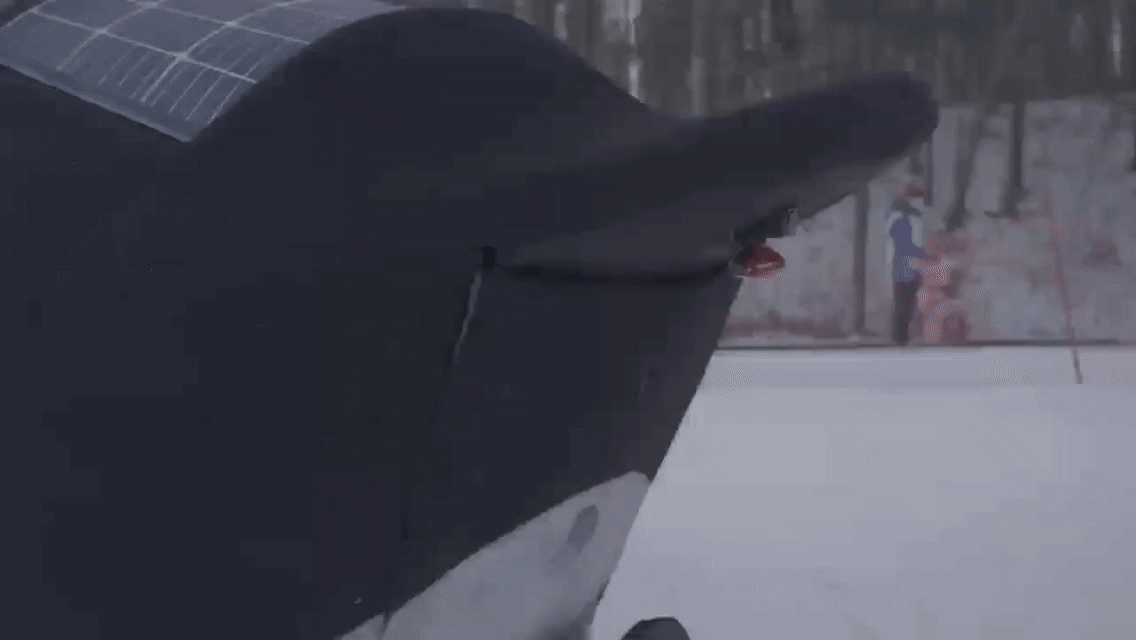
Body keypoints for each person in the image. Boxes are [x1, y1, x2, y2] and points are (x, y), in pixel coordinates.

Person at [884, 183, 927, 344]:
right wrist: (922, 256)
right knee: (903, 306)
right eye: (917, 198)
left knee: (907, 306)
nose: (920, 202)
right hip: (904, 269)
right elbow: (904, 246)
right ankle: (900, 339)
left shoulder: (912, 217)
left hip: (910, 267)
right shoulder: (901, 218)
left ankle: (903, 338)